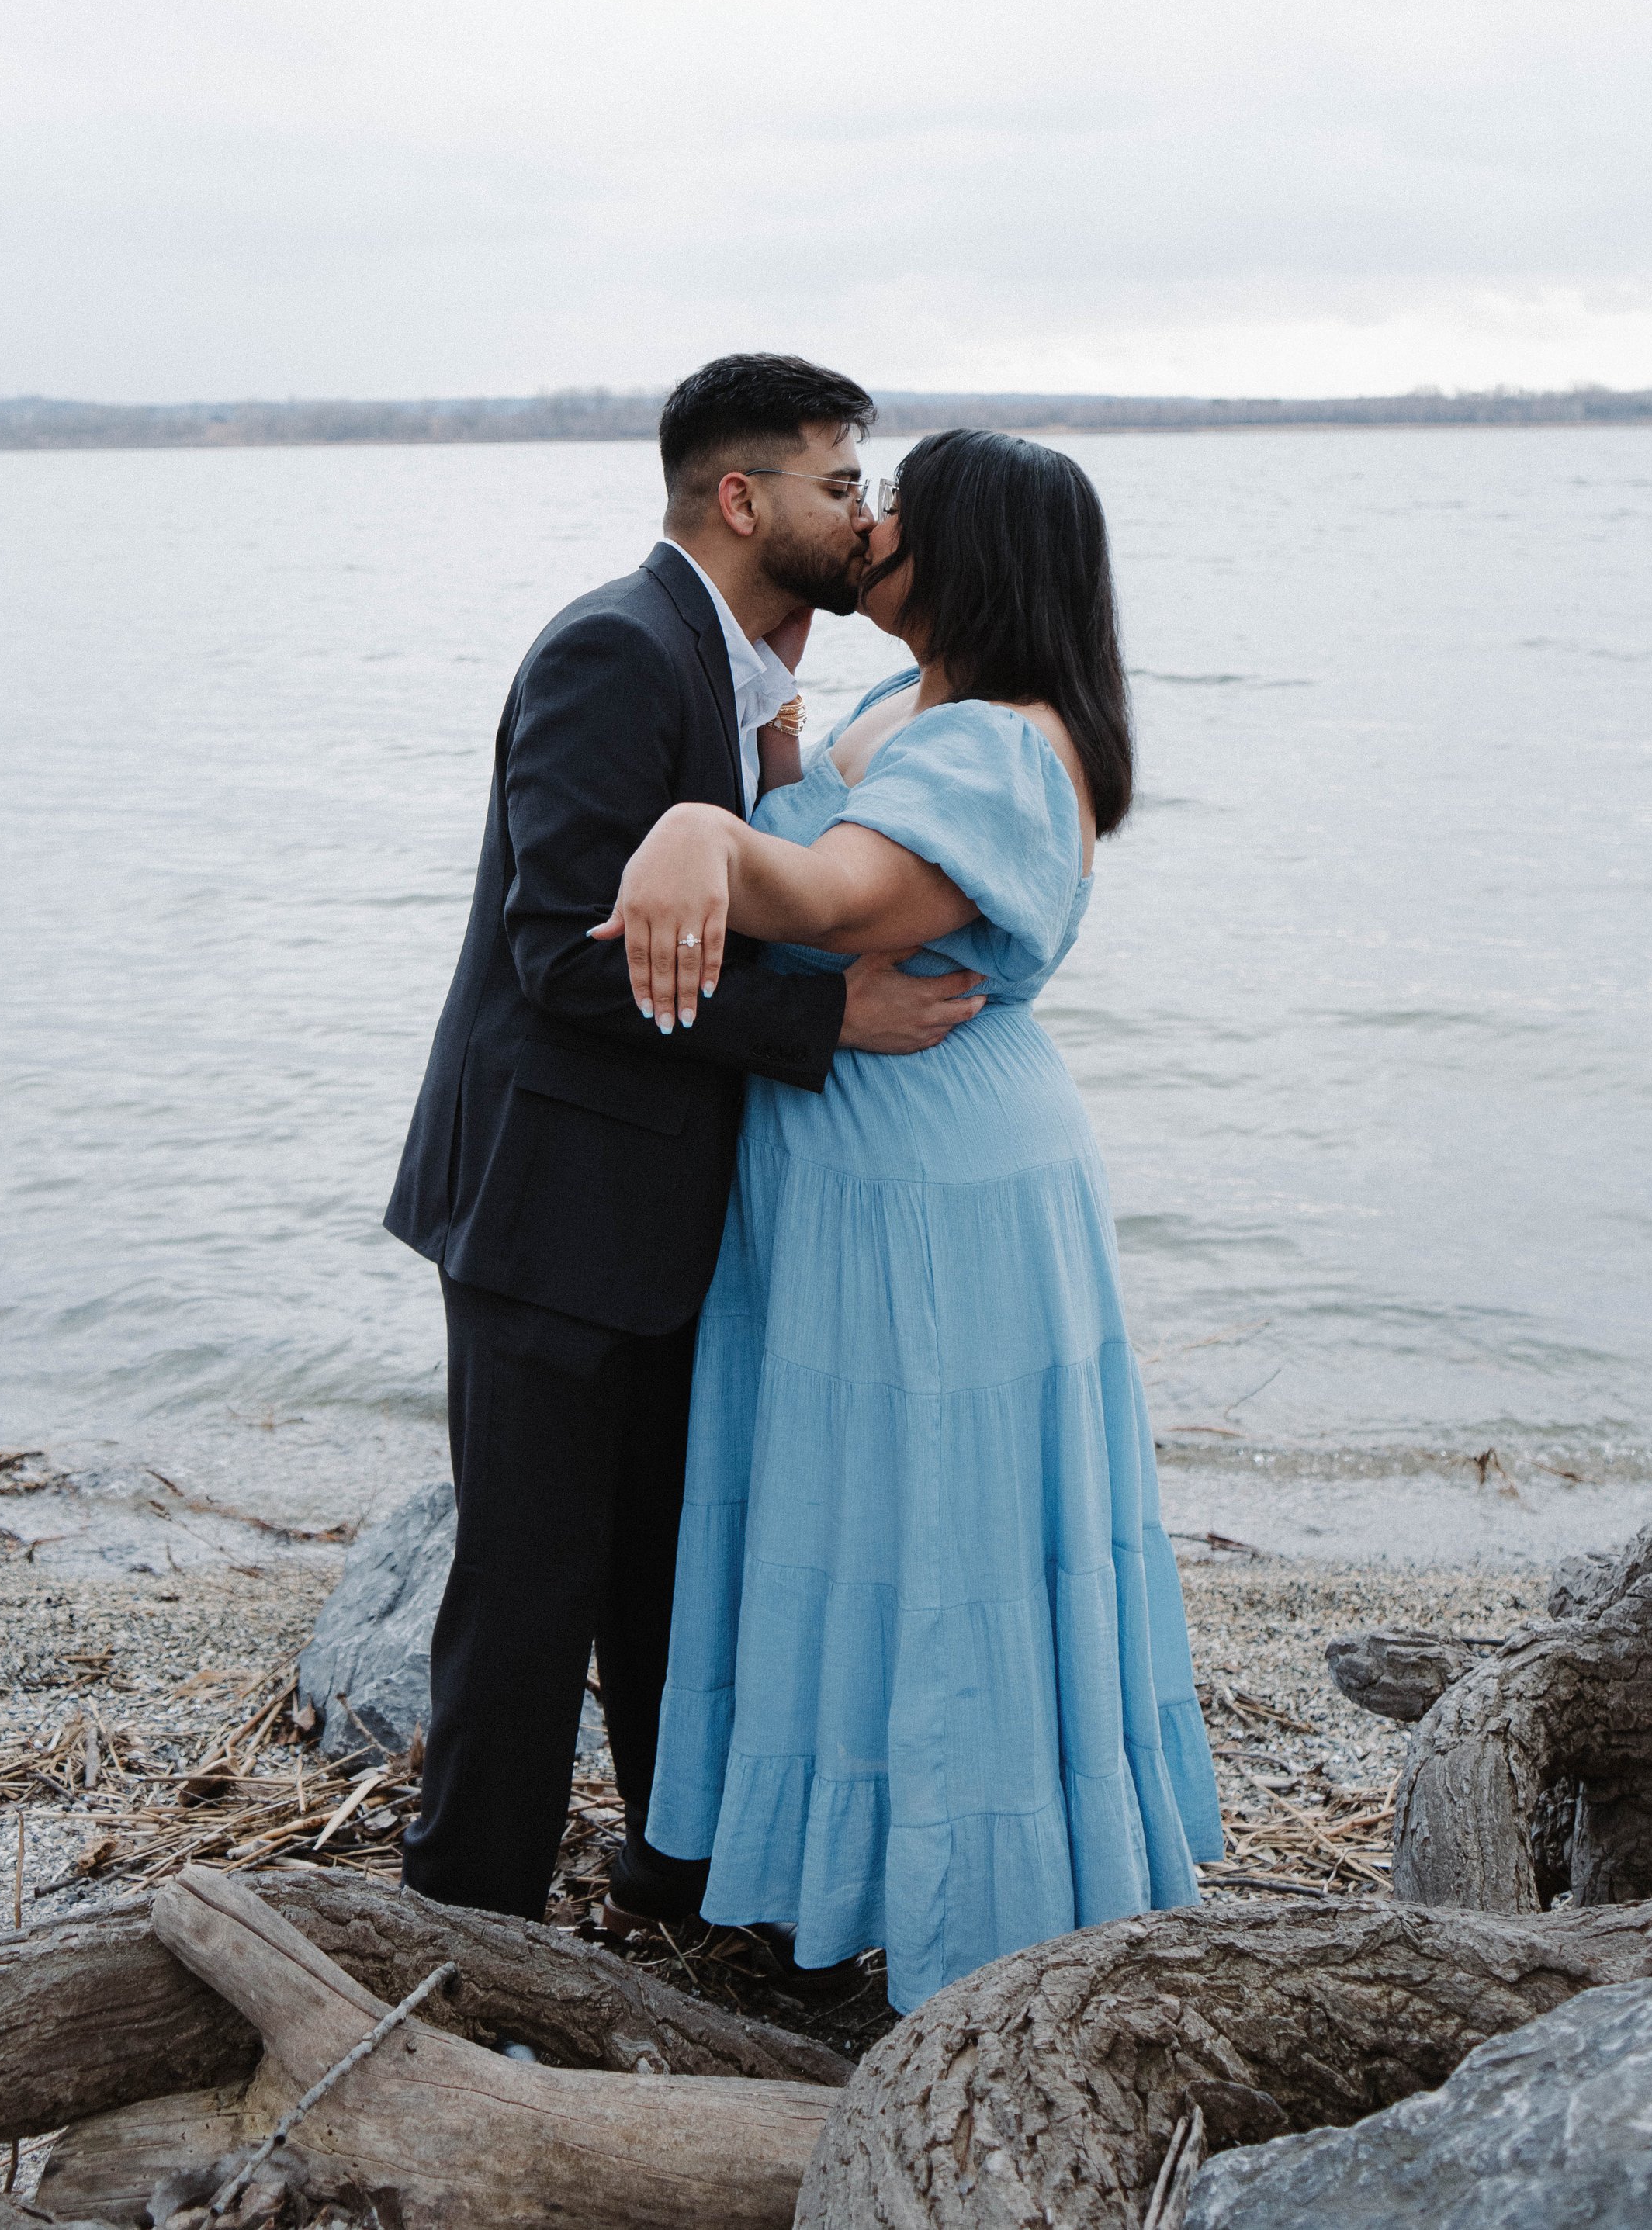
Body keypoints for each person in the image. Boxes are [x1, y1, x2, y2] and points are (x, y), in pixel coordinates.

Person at [592, 428, 1224, 2011]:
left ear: (969, 552)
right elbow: (809, 796)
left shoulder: (1004, 749)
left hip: (933, 1182)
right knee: (854, 1521)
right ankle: (839, 1886)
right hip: (851, 1171)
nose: (866, 524)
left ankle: (961, 1939)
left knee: (938, 1532)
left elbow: (834, 905)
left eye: (894, 508)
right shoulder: (907, 709)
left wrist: (696, 836)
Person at [383, 355, 987, 1930]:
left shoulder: (741, 678)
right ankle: (466, 1932)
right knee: (527, 1599)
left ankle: (676, 1874)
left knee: (665, 1576)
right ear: (741, 498)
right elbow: (563, 954)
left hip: (658, 1215)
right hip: (548, 1210)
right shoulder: (614, 648)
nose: (862, 517)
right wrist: (821, 1024)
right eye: (839, 485)